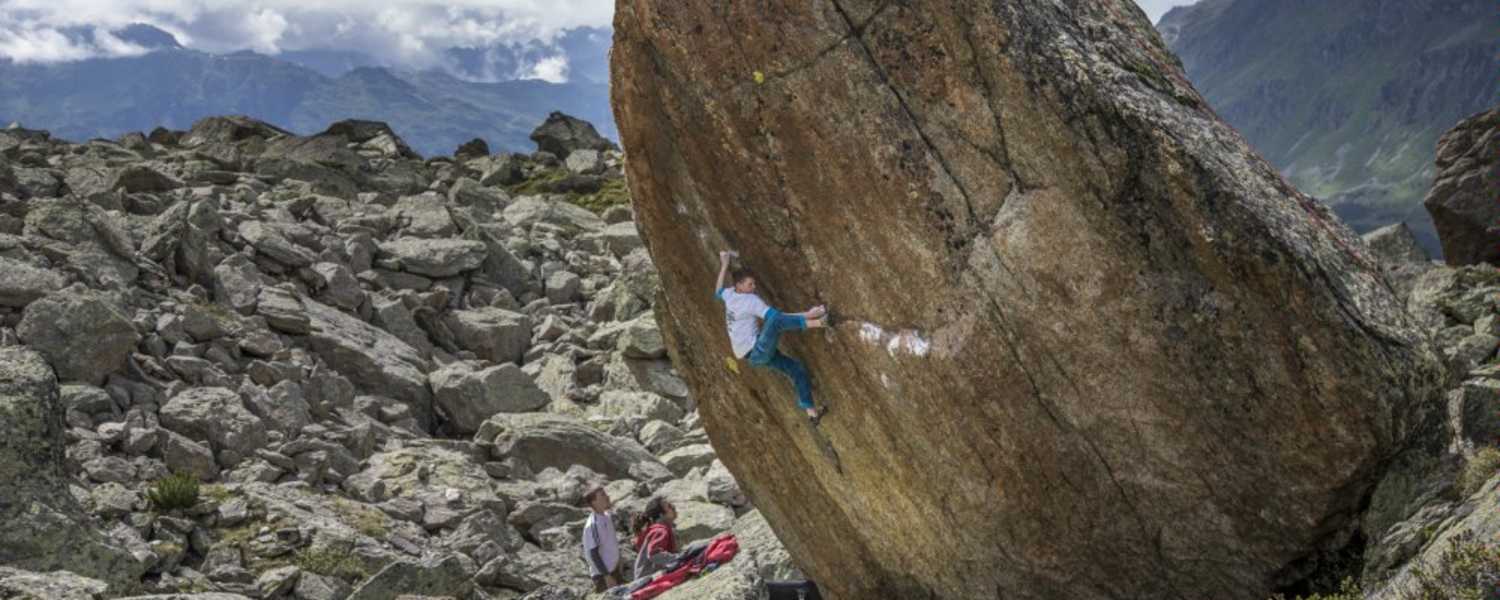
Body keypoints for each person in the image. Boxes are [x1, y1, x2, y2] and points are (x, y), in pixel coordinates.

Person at [715, 250, 832, 424]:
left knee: (797, 369)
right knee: (776, 320)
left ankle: (812, 413)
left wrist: (807, 314)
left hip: (754, 356)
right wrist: (724, 265)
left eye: (754, 284)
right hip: (757, 351)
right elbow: (777, 319)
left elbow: (779, 317)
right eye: (750, 284)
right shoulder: (743, 298)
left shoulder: (733, 294)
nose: (754, 288)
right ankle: (820, 323)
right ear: (738, 285)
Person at [581, 486, 624, 592]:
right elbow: (594, 554)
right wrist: (607, 577)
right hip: (604, 577)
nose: (607, 496)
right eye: (603, 495)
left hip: (615, 571)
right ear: (594, 502)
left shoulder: (606, 515)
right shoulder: (593, 525)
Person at [631, 497, 679, 580]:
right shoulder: (660, 530)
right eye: (669, 506)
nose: (673, 507)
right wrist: (678, 558)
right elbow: (654, 554)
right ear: (661, 515)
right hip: (647, 578)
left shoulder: (659, 529)